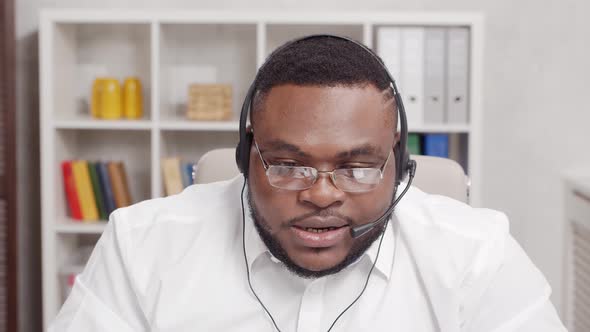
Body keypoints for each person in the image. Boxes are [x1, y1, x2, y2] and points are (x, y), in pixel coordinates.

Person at [50, 35, 567, 331]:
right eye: (288, 164)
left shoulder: (477, 254)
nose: (321, 194)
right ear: (245, 158)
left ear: (400, 168)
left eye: (359, 166)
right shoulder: (141, 246)